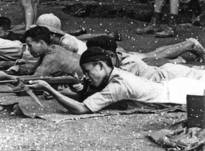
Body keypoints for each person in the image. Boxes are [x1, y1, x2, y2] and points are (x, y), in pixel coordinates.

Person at [27, 47, 205, 114]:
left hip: (182, 93)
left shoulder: (118, 85)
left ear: (100, 66)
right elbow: (87, 93)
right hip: (177, 86)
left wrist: (50, 89)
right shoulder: (116, 72)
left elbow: (82, 108)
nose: (86, 77)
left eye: (88, 72)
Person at [86, 35, 205, 82]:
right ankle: (187, 47)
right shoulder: (116, 59)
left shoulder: (127, 66)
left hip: (173, 75)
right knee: (152, 55)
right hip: (167, 72)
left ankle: (189, 45)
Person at [0, 26, 83, 80]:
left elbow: (34, 79)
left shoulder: (51, 57)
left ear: (41, 43)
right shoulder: (53, 49)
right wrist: (14, 70)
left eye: (30, 46)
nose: (28, 49)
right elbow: (33, 71)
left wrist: (6, 76)